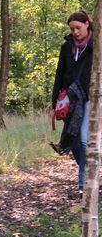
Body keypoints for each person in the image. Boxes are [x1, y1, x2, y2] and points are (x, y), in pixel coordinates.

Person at [51, 10, 94, 195]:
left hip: (90, 97)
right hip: (70, 98)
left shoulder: (96, 45)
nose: (75, 32)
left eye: (78, 27)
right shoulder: (67, 47)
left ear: (87, 24)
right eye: (72, 29)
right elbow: (60, 73)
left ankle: (84, 184)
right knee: (72, 140)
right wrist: (55, 100)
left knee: (84, 140)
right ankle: (89, 168)